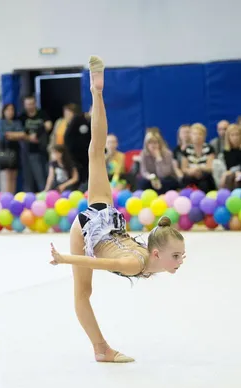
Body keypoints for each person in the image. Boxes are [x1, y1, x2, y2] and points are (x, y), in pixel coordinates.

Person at [49, 56, 186, 363]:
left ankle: (97, 91)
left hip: (107, 218)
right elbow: (92, 261)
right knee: (82, 293)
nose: (180, 261)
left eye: (181, 255)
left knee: (96, 151)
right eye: (176, 256)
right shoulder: (134, 264)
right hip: (90, 228)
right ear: (156, 255)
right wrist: (63, 259)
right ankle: (101, 349)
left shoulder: (148, 256)